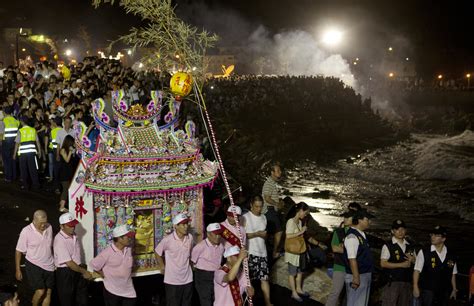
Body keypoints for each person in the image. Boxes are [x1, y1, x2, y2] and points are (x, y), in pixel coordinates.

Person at [89, 224, 137, 306]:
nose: (130, 238)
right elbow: (93, 264)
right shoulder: (107, 252)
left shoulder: (129, 249)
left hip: (128, 290)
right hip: (112, 291)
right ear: (119, 238)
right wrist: (103, 274)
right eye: (127, 237)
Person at [15, 210, 54, 306]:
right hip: (34, 264)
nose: (43, 225)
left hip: (49, 264)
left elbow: (50, 246)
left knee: (48, 293)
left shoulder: (49, 227)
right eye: (41, 223)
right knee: (40, 291)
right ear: (34, 221)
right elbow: (18, 251)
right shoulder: (26, 231)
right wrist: (18, 269)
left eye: (45, 222)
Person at [53, 212, 92, 306]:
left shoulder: (74, 235)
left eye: (73, 225)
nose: (73, 227)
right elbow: (69, 263)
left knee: (81, 299)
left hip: (77, 269)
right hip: (66, 273)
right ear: (61, 226)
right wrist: (84, 272)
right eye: (69, 225)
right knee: (67, 300)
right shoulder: (59, 240)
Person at [155, 213, 194, 306]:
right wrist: (162, 266)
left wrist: (191, 266)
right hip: (172, 281)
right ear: (176, 226)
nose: (186, 226)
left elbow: (191, 253)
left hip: (188, 279)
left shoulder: (190, 238)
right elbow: (157, 252)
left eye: (187, 224)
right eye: (183, 224)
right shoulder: (167, 240)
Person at [413, 226, 458, 306]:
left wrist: (454, 289)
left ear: (443, 239)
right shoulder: (424, 252)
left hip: (444, 291)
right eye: (432, 234)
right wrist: (415, 286)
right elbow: (417, 270)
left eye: (436, 235)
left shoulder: (451, 255)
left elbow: (453, 273)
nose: (432, 237)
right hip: (428, 290)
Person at [285, 202, 318, 302]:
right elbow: (288, 236)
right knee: (292, 272)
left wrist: (301, 234)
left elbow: (297, 235)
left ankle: (299, 289)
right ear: (300, 211)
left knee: (300, 271)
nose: (305, 215)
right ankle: (293, 293)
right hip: (292, 252)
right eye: (305, 213)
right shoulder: (290, 222)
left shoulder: (299, 221)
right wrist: (301, 232)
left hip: (299, 251)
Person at [243, 195, 272, 306]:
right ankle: (247, 302)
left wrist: (264, 235)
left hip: (262, 252)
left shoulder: (264, 218)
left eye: (260, 206)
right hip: (251, 252)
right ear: (251, 205)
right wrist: (257, 234)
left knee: (264, 279)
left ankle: (268, 302)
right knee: (248, 279)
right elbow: (241, 236)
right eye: (256, 206)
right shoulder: (245, 217)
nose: (258, 209)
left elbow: (264, 235)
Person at [343, 208, 375, 306]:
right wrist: (356, 277)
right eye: (367, 219)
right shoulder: (352, 236)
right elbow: (352, 259)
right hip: (358, 275)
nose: (369, 222)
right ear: (360, 220)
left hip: (364, 274)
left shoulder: (361, 234)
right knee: (356, 302)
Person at [380, 219, 415, 306]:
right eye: (397, 229)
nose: (400, 232)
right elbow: (383, 263)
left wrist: (413, 260)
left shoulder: (410, 245)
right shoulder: (388, 245)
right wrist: (401, 265)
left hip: (407, 282)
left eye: (402, 229)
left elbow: (416, 263)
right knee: (389, 303)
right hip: (392, 281)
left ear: (405, 231)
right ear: (392, 231)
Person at [325, 209, 356, 306]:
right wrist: (351, 250)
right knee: (335, 293)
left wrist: (344, 248)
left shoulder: (357, 233)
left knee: (351, 295)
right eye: (344, 217)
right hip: (340, 266)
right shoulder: (338, 232)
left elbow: (359, 251)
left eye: (348, 217)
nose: (345, 219)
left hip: (353, 268)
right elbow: (334, 248)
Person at [191, 223, 224, 306]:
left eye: (219, 234)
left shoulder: (221, 246)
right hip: (203, 276)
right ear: (208, 234)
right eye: (215, 234)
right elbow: (192, 261)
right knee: (206, 301)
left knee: (217, 300)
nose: (218, 237)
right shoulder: (200, 246)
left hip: (216, 275)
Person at [13, 117, 42, 190]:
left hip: (23, 153)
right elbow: (37, 142)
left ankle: (25, 185)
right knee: (33, 169)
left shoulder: (20, 130)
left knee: (23, 169)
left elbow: (17, 143)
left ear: (22, 122)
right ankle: (36, 184)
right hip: (32, 152)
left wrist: (14, 154)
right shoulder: (33, 130)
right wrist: (39, 151)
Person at [262, 163, 284, 259]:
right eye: (278, 171)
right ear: (272, 172)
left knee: (267, 233)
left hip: (271, 210)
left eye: (280, 170)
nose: (280, 172)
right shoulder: (269, 183)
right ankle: (274, 253)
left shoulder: (272, 183)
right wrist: (277, 204)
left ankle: (266, 251)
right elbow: (267, 198)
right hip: (269, 210)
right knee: (279, 231)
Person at [58, 135, 77, 212]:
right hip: (64, 172)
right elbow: (67, 160)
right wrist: (70, 151)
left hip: (69, 172)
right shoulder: (62, 150)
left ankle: (62, 202)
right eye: (72, 143)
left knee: (68, 188)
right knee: (65, 189)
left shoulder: (71, 149)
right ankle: (62, 207)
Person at [0, 107, 19, 182]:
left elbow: (1, 134)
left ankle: (8, 177)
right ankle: (14, 176)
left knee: (7, 160)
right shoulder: (16, 120)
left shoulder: (3, 121)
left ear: (4, 112)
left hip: (6, 143)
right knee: (13, 159)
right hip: (14, 142)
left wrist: (1, 143)